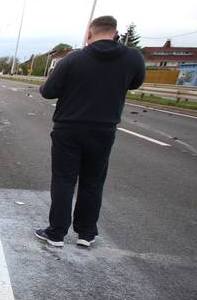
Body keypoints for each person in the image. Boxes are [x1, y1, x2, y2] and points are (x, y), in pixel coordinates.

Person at [34, 15, 145, 248]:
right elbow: (135, 83)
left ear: (89, 34)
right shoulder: (132, 57)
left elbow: (49, 91)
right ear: (115, 34)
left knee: (64, 180)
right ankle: (86, 233)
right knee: (93, 181)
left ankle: (56, 234)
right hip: (104, 129)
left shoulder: (73, 60)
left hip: (69, 128)